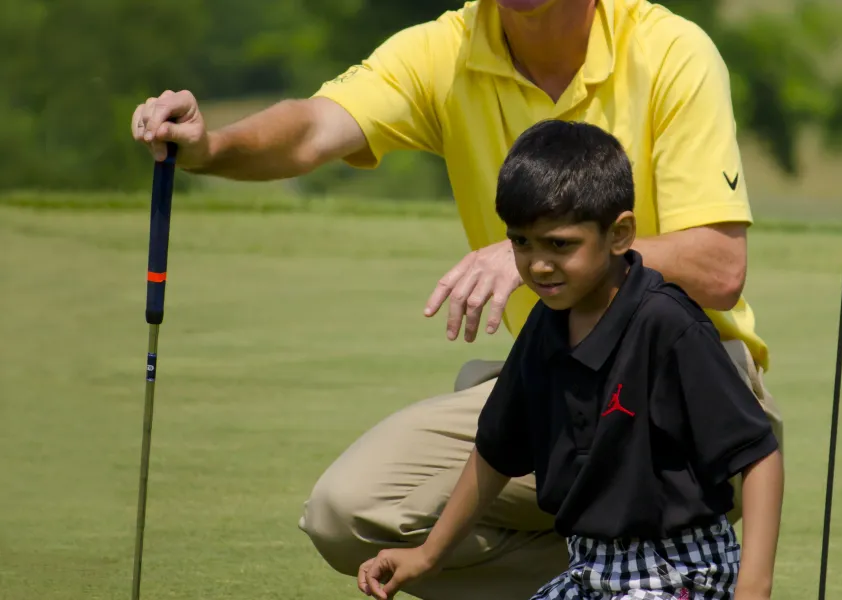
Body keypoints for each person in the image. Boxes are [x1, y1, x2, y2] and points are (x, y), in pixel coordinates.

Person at [131, 0, 785, 597]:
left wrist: (524, 256)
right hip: (557, 371)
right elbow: (309, 130)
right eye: (527, 243)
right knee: (345, 515)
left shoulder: (669, 49)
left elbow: (719, 264)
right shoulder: (446, 49)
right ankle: (614, 573)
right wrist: (210, 146)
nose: (538, 257)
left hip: (686, 385)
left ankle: (667, 567)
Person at [357, 120, 784, 600]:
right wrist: (429, 554)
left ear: (620, 234)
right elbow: (496, 448)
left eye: (560, 244)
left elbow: (758, 454)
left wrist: (754, 589)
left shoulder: (666, 322)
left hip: (680, 570)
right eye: (521, 242)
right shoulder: (547, 323)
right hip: (588, 567)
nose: (537, 264)